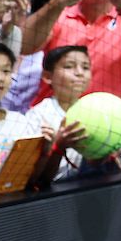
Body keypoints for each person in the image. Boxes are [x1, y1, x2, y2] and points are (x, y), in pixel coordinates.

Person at [25, 46, 91, 178]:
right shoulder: (37, 116)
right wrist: (55, 146)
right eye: (69, 66)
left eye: (85, 67)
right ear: (48, 76)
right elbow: (31, 175)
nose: (79, 73)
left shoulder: (94, 110)